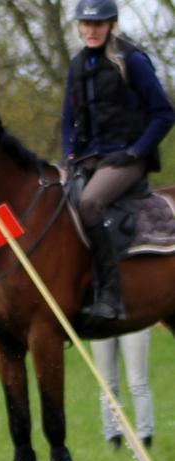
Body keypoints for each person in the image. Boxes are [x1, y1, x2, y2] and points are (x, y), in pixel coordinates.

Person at [62, 0, 175, 322]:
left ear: (111, 25)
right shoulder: (77, 65)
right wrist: (68, 154)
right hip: (87, 159)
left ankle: (110, 294)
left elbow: (164, 115)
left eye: (97, 24)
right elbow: (68, 118)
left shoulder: (133, 60)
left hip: (125, 159)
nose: (91, 30)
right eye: (85, 24)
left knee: (90, 203)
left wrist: (136, 151)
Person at [92, 329, 153, 449]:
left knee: (138, 384)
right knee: (107, 386)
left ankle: (145, 436)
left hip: (135, 321)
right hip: (101, 322)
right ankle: (113, 437)